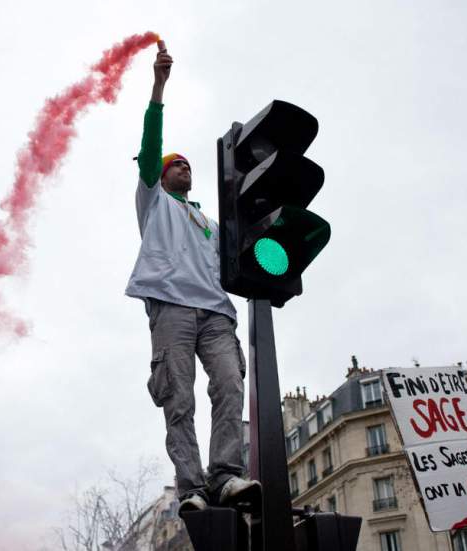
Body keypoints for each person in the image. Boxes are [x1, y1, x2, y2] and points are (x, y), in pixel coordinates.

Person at [125, 42, 262, 513]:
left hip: (217, 314)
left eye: (189, 164)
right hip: (172, 309)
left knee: (230, 385)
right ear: (161, 177)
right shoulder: (154, 203)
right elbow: (150, 149)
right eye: (177, 164)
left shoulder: (210, 224)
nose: (185, 167)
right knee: (178, 397)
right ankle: (192, 487)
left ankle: (225, 475)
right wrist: (159, 87)